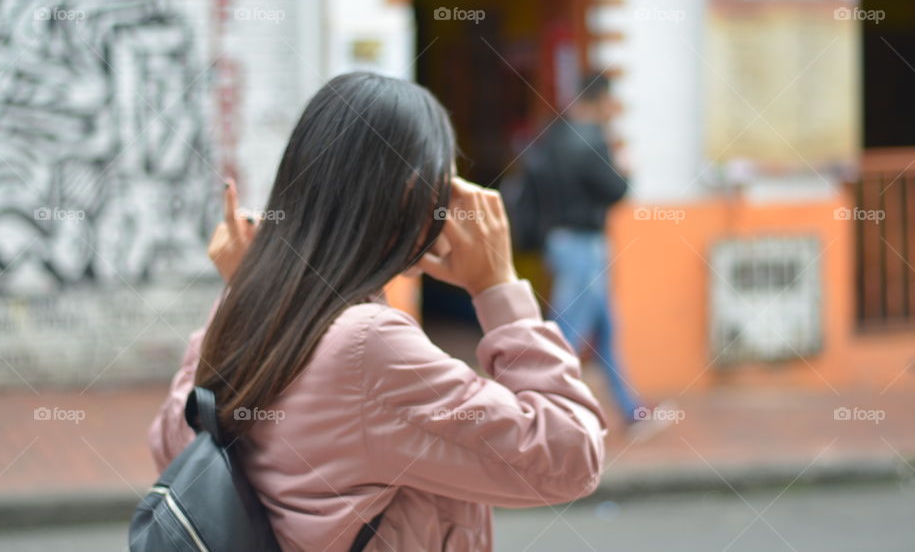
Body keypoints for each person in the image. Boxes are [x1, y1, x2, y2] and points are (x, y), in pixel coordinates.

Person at [148, 72, 606, 551]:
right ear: (412, 195)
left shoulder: (263, 311)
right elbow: (571, 457)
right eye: (445, 186)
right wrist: (497, 287)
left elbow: (171, 444)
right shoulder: (369, 346)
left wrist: (239, 293)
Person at [533, 73, 643, 427]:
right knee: (569, 332)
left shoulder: (554, 135)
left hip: (560, 240)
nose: (615, 109)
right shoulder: (594, 139)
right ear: (600, 100)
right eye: (612, 101)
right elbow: (616, 189)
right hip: (584, 245)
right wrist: (624, 168)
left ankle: (632, 411)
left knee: (606, 329)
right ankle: (537, 409)